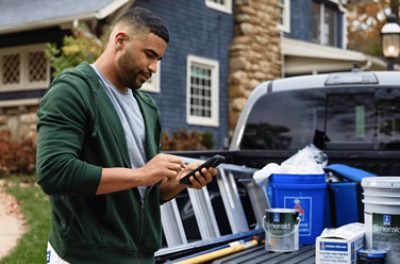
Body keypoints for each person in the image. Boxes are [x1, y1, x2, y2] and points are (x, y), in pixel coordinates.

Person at [36, 7, 218, 264]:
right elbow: (54, 172)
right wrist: (140, 174)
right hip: (85, 256)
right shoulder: (72, 91)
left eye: (159, 60)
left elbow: (146, 192)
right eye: (149, 55)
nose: (154, 67)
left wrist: (180, 181)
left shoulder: (147, 107)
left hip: (139, 256)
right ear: (120, 41)